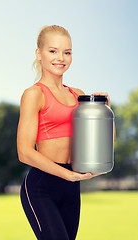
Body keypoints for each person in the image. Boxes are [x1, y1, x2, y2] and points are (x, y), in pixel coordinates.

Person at [17, 25, 115, 240]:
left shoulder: (78, 95)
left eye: (67, 52)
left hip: (71, 186)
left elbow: (105, 142)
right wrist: (67, 174)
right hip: (42, 185)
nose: (61, 57)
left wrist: (105, 109)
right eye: (53, 51)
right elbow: (24, 152)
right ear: (39, 54)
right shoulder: (34, 94)